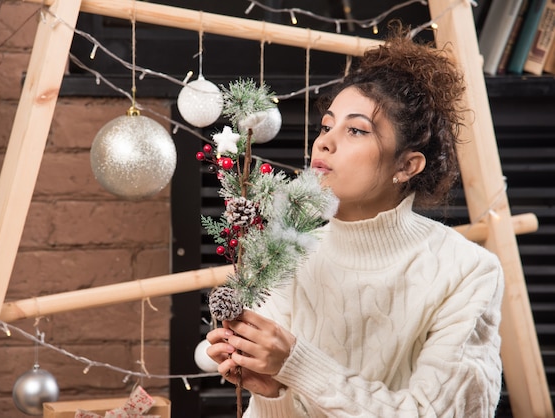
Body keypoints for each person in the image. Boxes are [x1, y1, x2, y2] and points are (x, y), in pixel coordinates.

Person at [206, 23, 504, 417]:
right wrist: (273, 392)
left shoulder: (467, 271)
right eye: (327, 126)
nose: (324, 142)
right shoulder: (287, 251)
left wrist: (296, 363)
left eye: (357, 131)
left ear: (407, 165)